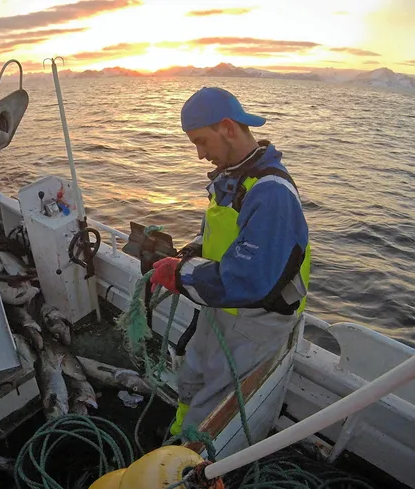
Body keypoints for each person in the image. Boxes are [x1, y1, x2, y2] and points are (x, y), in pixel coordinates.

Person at [149, 87, 311, 436]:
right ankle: (178, 433)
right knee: (192, 370)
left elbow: (247, 280)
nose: (199, 154)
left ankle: (191, 463)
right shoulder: (232, 179)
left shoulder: (272, 195)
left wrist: (179, 275)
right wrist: (188, 254)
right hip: (220, 308)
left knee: (216, 401)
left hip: (253, 322)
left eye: (202, 141)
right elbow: (219, 240)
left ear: (227, 127)